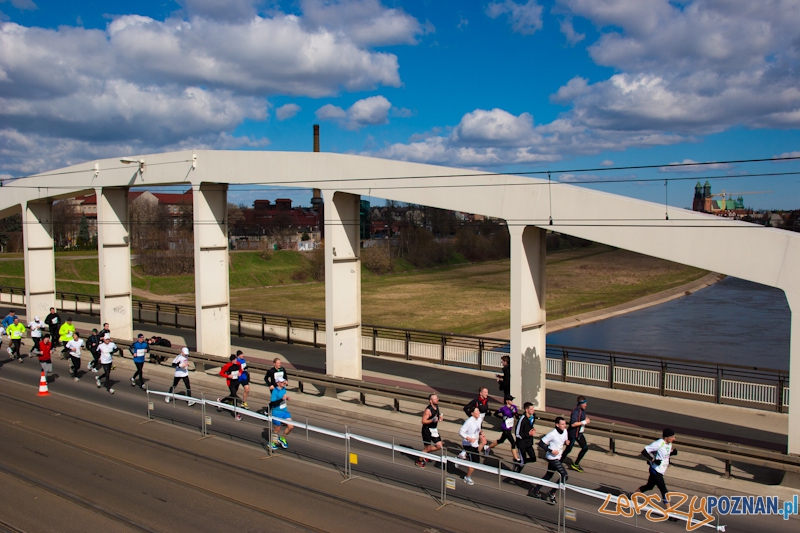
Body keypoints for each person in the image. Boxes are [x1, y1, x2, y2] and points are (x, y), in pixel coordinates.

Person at [529, 417, 570, 505]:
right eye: (562, 424)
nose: (564, 425)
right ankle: (552, 492)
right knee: (565, 475)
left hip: (558, 457)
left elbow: (565, 438)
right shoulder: (552, 434)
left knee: (548, 475)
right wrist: (551, 451)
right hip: (552, 458)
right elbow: (541, 443)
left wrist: (566, 441)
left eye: (565, 424)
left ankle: (535, 490)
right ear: (557, 425)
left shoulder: (565, 431)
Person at [637, 429, 678, 510]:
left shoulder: (669, 444)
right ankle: (669, 511)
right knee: (664, 490)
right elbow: (644, 452)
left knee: (649, 486)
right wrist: (653, 460)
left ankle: (632, 496)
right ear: (667, 437)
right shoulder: (659, 443)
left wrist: (672, 453)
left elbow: (664, 453)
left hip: (660, 470)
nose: (674, 439)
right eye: (672, 437)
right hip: (656, 470)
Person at [488, 394, 521, 466]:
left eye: (512, 400)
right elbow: (495, 414)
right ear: (507, 401)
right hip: (505, 427)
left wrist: (514, 412)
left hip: (510, 426)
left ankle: (488, 447)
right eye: (511, 400)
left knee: (501, 440)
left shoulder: (514, 407)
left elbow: (517, 416)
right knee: (513, 443)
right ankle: (516, 458)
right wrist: (502, 418)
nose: (512, 401)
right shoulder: (503, 408)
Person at [458, 406, 487, 485]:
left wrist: (481, 433)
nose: (478, 413)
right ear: (472, 413)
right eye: (476, 411)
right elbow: (461, 432)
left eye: (478, 411)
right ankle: (467, 478)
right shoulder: (469, 421)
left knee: (475, 458)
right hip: (468, 444)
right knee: (474, 462)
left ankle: (460, 458)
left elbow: (479, 428)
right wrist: (469, 439)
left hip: (475, 443)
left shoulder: (479, 419)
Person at [416, 393, 444, 468]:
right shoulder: (428, 410)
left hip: (434, 429)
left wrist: (440, 417)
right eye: (435, 399)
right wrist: (432, 420)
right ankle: (419, 460)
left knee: (439, 446)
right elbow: (423, 421)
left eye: (437, 398)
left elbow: (437, 415)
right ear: (431, 401)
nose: (437, 399)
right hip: (427, 430)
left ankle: (425, 454)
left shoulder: (436, 406)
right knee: (427, 448)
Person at [564, 396, 591, 473]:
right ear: (581, 404)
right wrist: (584, 422)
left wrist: (584, 421)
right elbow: (573, 424)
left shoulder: (582, 410)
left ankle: (575, 464)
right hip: (573, 434)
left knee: (585, 448)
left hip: (579, 434)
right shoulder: (576, 411)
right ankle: (558, 461)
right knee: (568, 449)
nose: (586, 405)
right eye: (585, 403)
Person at [269, 377, 294, 449]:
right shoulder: (275, 391)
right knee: (277, 429)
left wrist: (287, 398)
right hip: (276, 412)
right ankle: (272, 442)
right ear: (278, 383)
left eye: (284, 381)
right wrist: (282, 399)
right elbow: (272, 403)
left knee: (290, 426)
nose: (284, 383)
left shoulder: (284, 389)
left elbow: (284, 397)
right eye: (282, 382)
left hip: (285, 411)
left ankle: (282, 438)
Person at [515, 401, 537, 472]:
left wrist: (532, 430)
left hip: (528, 443)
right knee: (523, 462)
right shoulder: (522, 419)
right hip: (522, 444)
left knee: (533, 458)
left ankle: (518, 462)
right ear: (526, 410)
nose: (533, 410)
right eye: (531, 409)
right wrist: (528, 434)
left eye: (533, 408)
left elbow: (530, 426)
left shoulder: (532, 417)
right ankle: (516, 475)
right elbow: (517, 434)